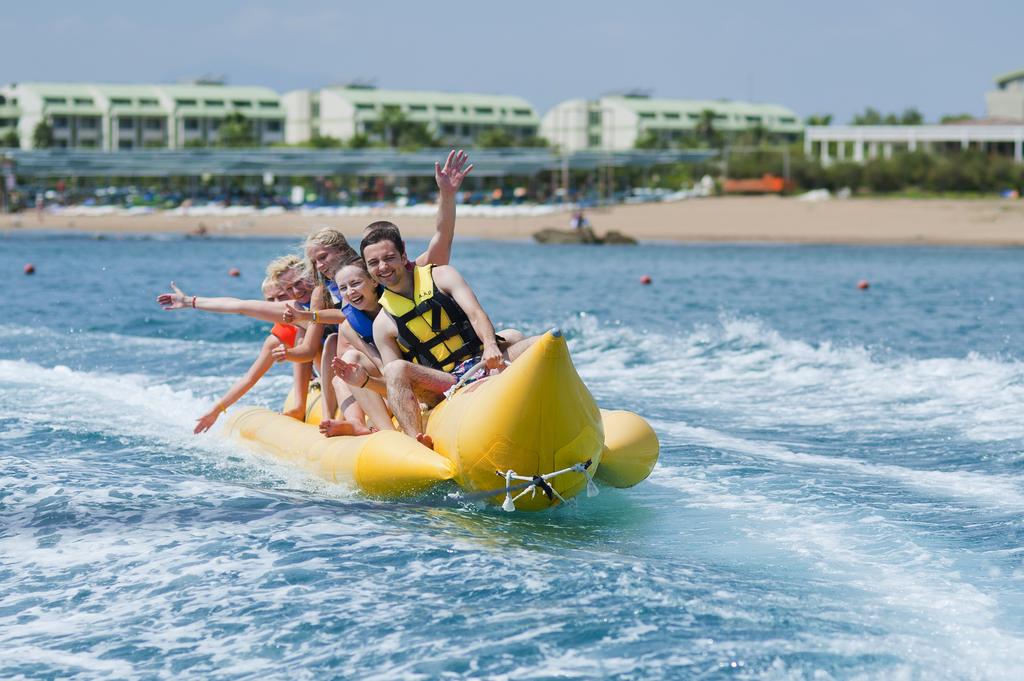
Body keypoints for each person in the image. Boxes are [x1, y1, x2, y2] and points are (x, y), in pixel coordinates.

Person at [274, 149, 475, 436]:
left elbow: (442, 238)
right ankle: (382, 433)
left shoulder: (402, 278)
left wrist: (447, 195)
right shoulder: (348, 318)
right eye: (344, 289)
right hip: (396, 376)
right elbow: (378, 366)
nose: (350, 292)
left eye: (356, 284)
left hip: (434, 368)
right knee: (345, 358)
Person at [360, 225, 536, 447]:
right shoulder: (382, 324)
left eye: (389, 258)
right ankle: (417, 443)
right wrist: (366, 382)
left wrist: (491, 345)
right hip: (443, 384)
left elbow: (476, 314)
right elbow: (394, 381)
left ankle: (560, 411)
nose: (383, 267)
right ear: (368, 270)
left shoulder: (442, 276)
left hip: (482, 362)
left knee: (540, 342)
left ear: (403, 255)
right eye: (373, 263)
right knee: (394, 368)